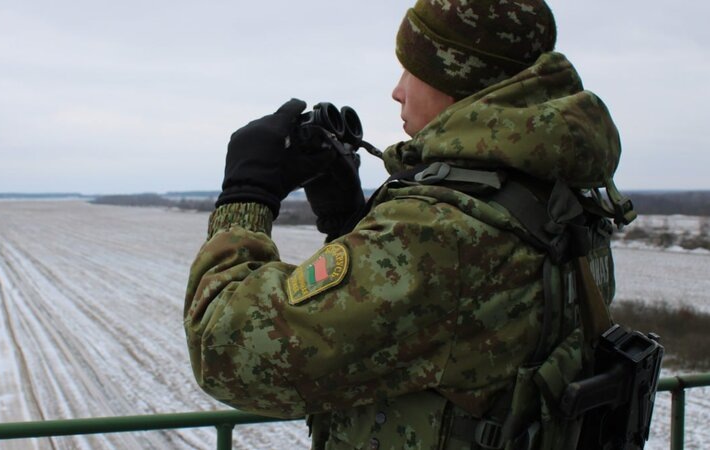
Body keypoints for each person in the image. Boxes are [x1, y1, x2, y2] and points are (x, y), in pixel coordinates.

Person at [184, 1, 626, 448]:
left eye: (412, 71)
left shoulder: (442, 231)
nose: (398, 91)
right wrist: (349, 222)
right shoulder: (556, 192)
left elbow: (226, 350)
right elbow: (443, 328)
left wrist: (245, 196)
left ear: (458, 80)